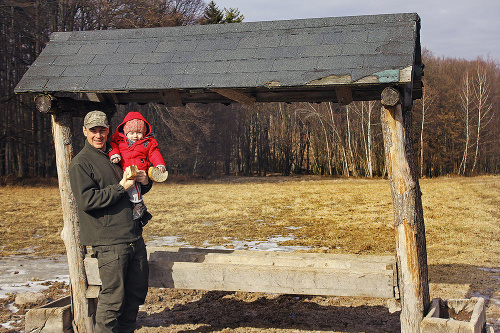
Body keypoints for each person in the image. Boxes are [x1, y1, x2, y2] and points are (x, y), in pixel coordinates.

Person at [69, 110, 151, 333]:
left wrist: (145, 181)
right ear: (84, 131)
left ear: (108, 129)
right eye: (93, 130)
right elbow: (87, 200)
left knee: (134, 297)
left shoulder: (118, 154)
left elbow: (133, 186)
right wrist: (119, 188)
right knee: (112, 302)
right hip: (109, 243)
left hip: (134, 236)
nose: (98, 135)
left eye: (102, 130)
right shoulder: (81, 163)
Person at [109, 111, 166, 222]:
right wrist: (114, 155)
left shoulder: (148, 143)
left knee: (134, 187)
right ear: (126, 132)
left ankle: (138, 203)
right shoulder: (119, 141)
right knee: (125, 189)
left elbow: (154, 154)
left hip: (138, 170)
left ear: (144, 133)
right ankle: (135, 207)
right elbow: (112, 146)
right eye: (132, 132)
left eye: (139, 133)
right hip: (123, 170)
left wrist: (159, 164)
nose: (135, 136)